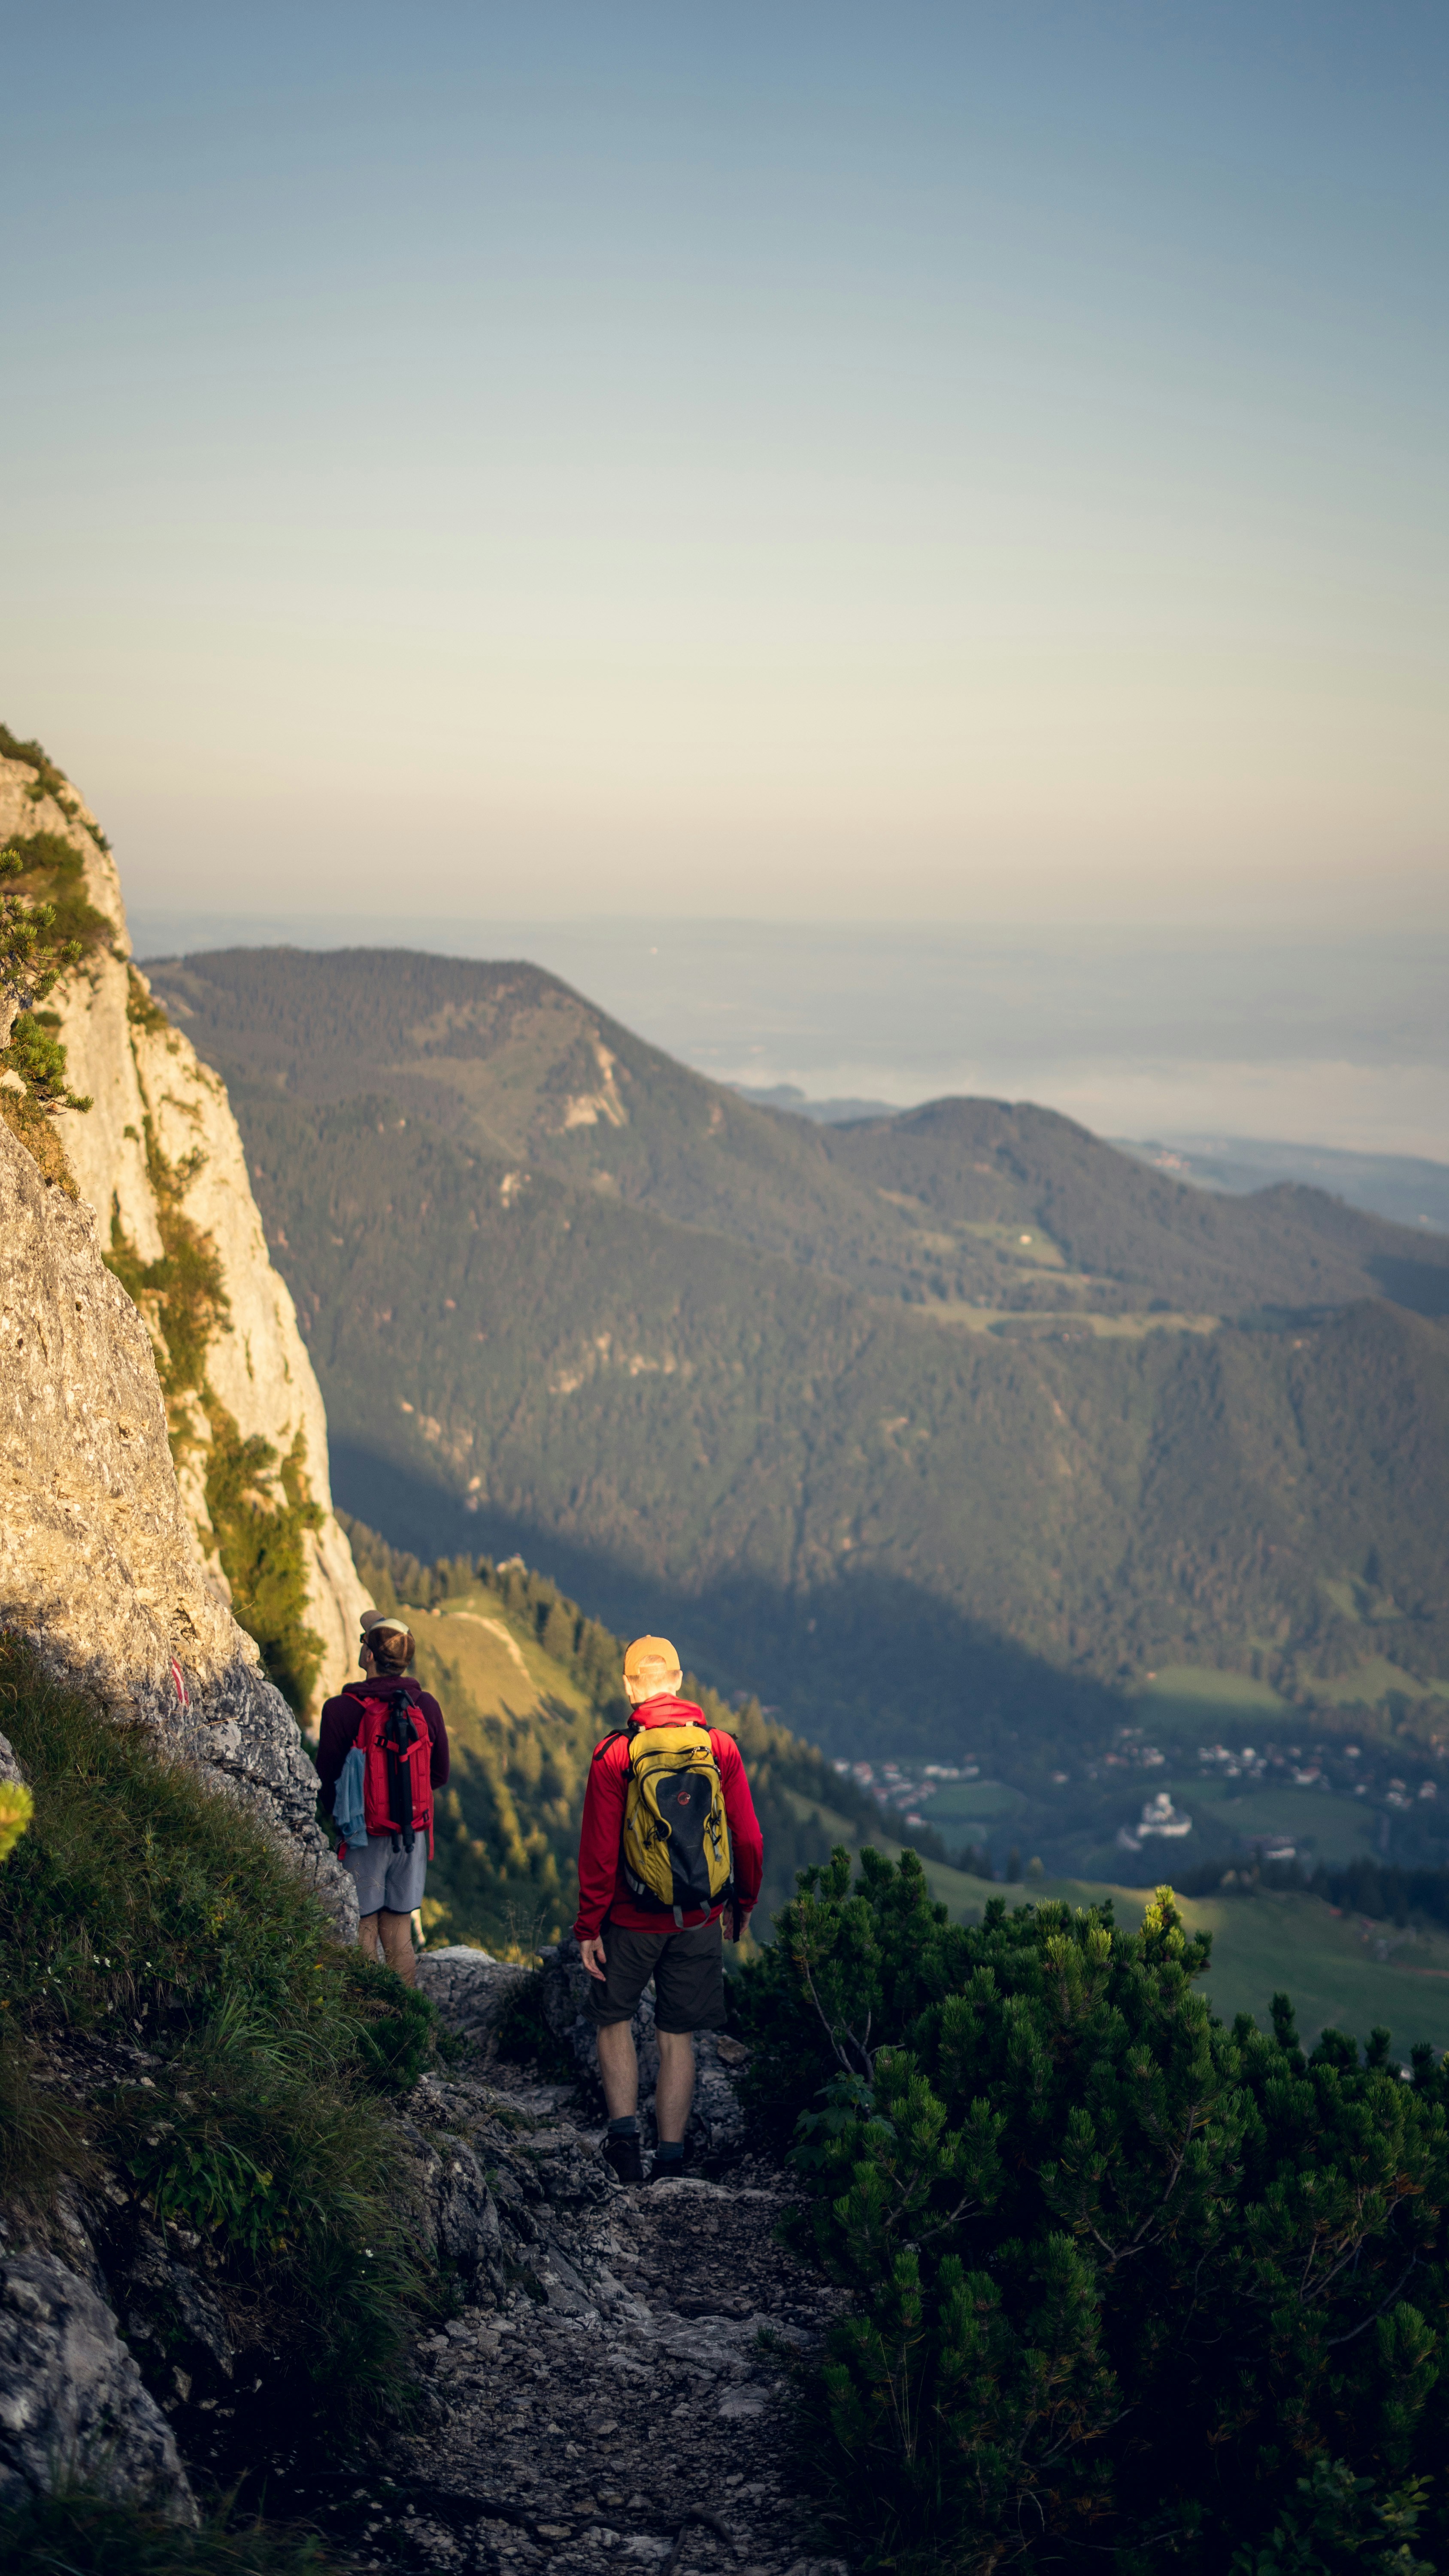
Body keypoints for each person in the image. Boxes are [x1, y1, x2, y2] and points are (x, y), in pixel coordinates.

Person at [575, 1634, 763, 2184]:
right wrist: (741, 1902)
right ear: (679, 1681)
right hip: (700, 1918)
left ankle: (626, 2150)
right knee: (676, 2035)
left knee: (613, 2020)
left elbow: (600, 1848)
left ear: (630, 1687)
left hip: (631, 1919)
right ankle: (673, 2158)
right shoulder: (719, 1747)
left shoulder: (616, 1754)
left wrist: (590, 1924)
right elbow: (747, 1839)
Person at [318, 1609, 449, 1986]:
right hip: (412, 1834)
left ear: (369, 1657)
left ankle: (364, 2018)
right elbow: (440, 1774)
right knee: (399, 1932)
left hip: (363, 1833)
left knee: (363, 1927)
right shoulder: (426, 1706)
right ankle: (404, 2020)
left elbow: (327, 1781)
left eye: (365, 1643)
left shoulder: (341, 1710)